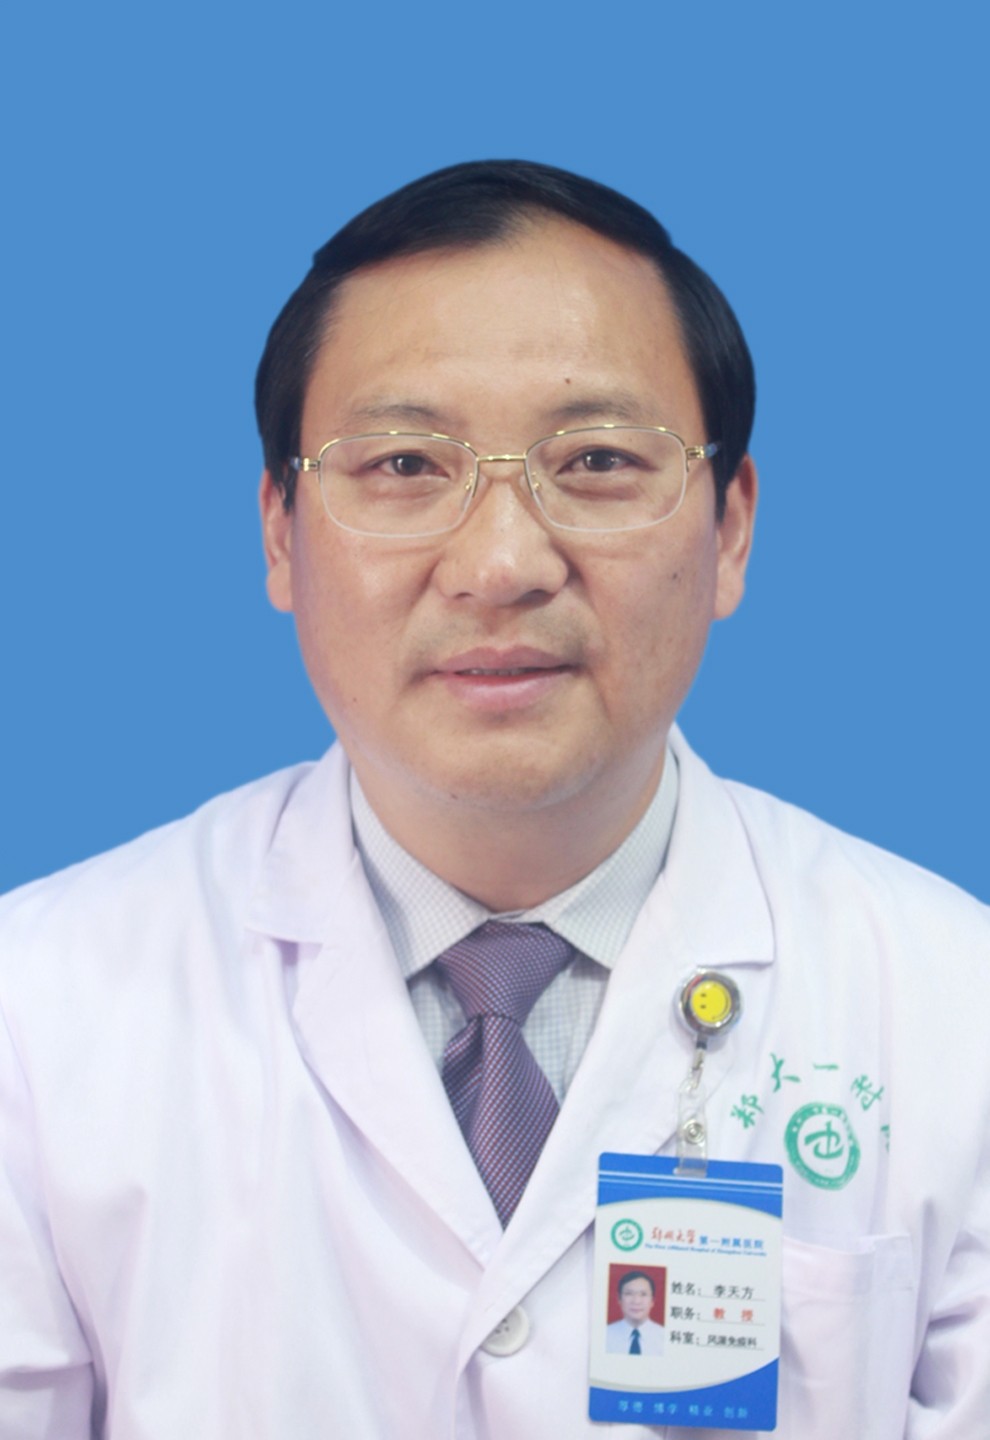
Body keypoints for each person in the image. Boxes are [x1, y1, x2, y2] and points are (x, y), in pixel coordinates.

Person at [0, 160, 988, 1440]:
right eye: (407, 462)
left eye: (597, 460)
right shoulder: (39, 1012)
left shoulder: (953, 1008)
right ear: (282, 534)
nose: (503, 562)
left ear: (732, 530)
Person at [605, 1271, 665, 1356]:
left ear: (652, 1301)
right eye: (629, 1294)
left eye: (643, 1294)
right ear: (619, 1299)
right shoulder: (605, 1335)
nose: (636, 1301)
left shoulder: (665, 1337)